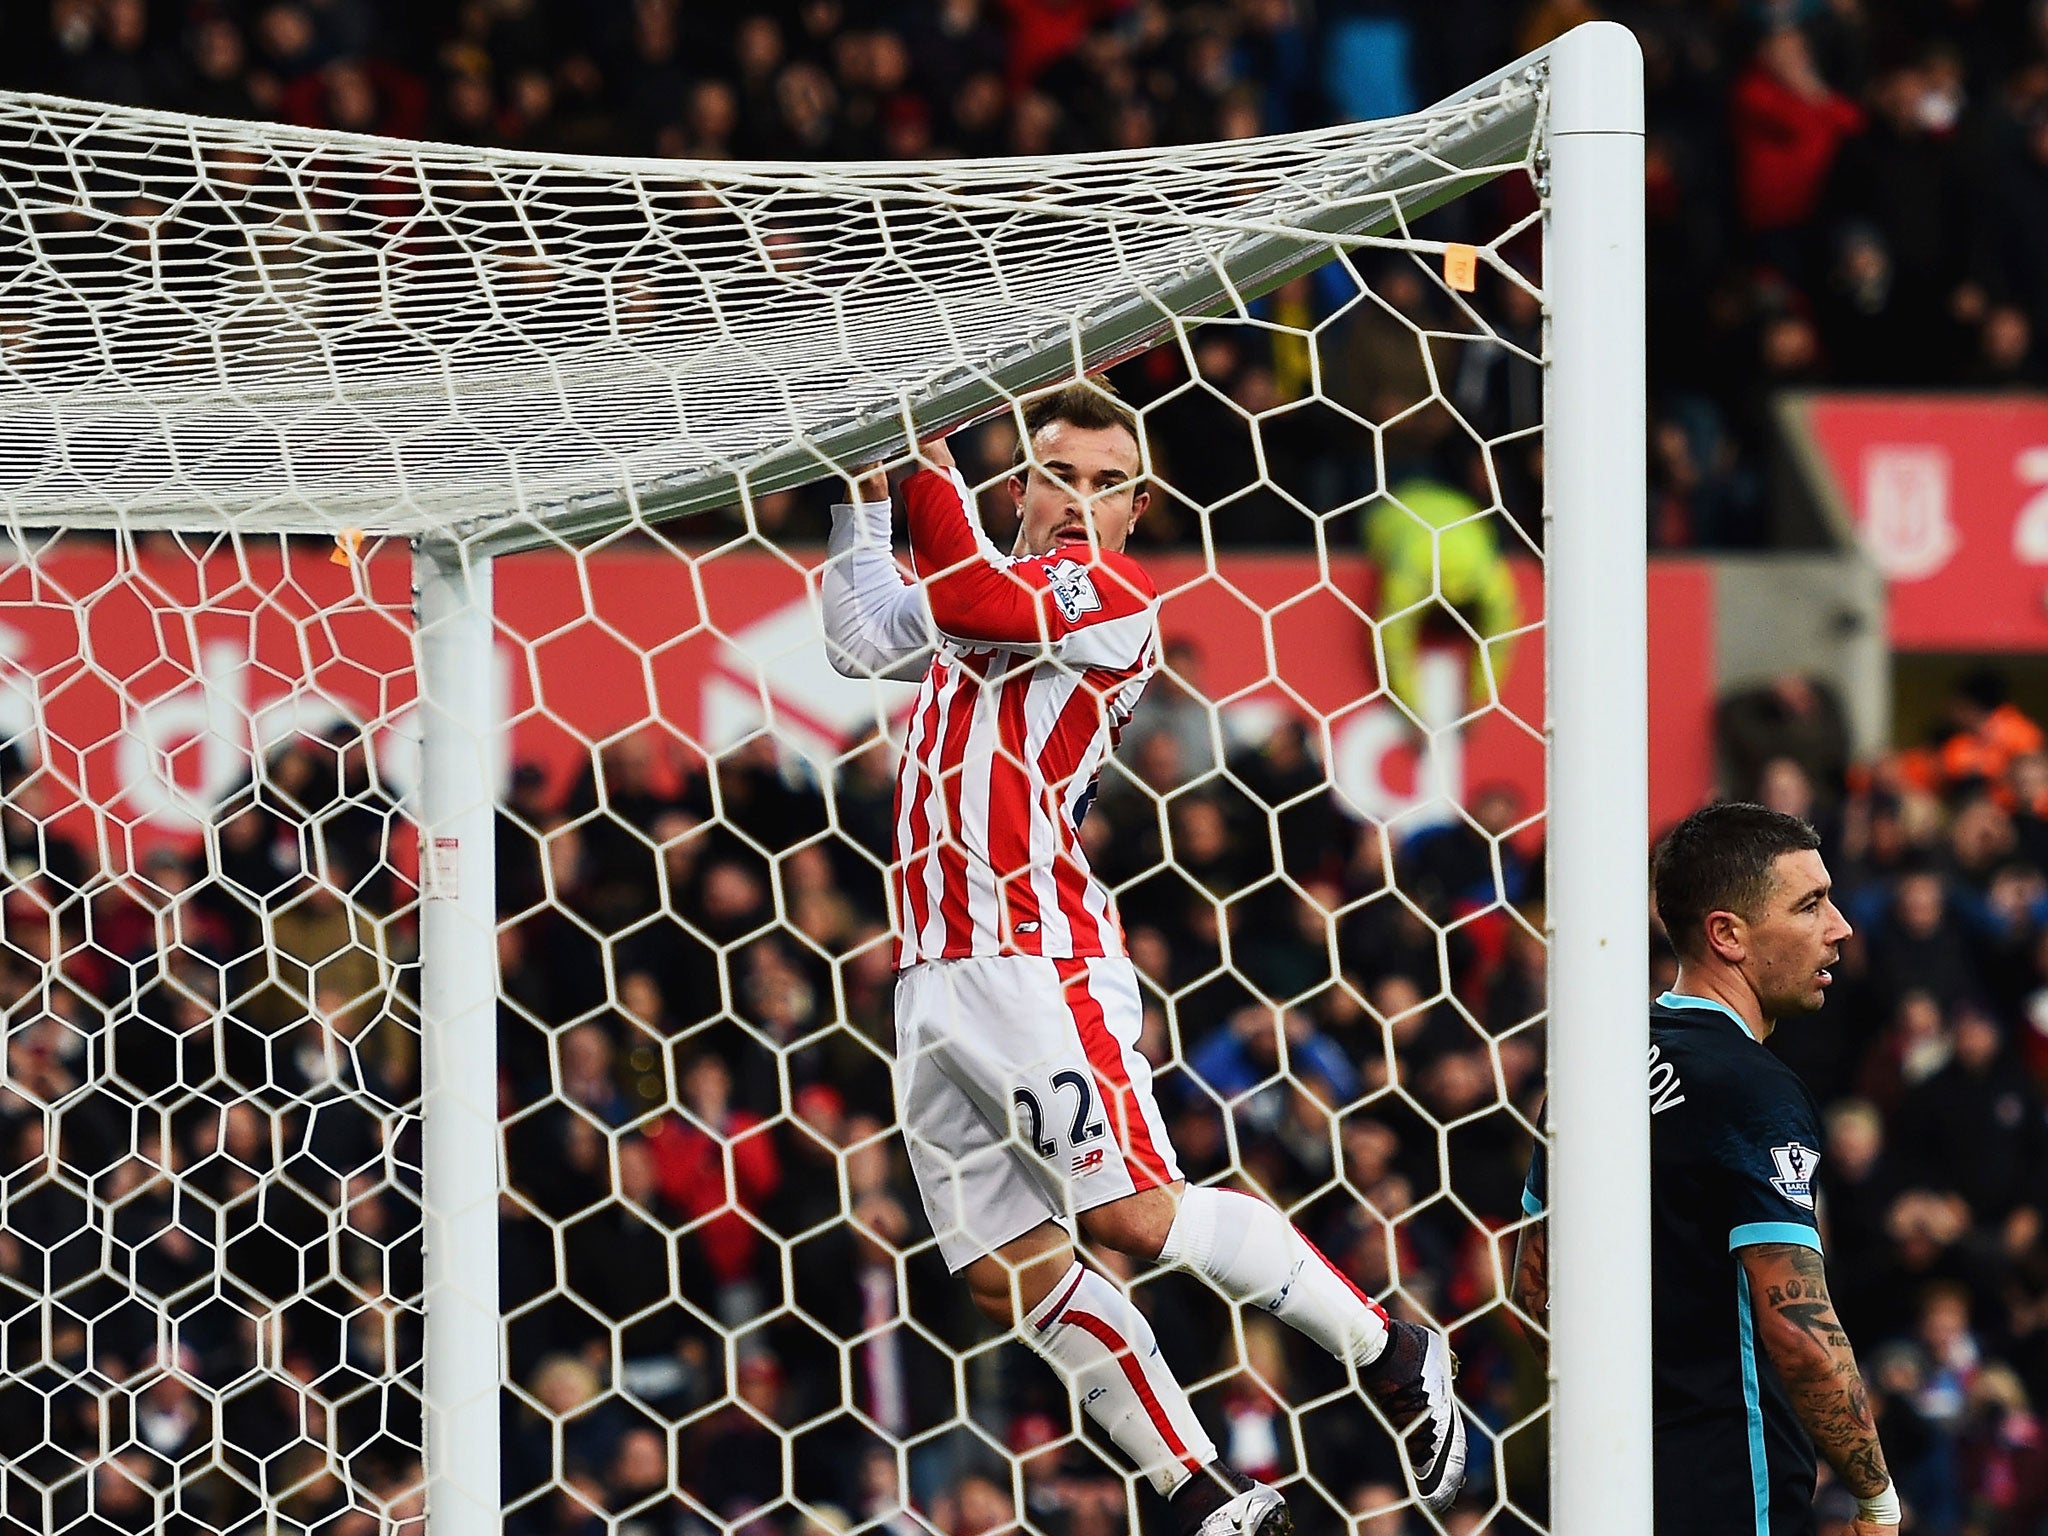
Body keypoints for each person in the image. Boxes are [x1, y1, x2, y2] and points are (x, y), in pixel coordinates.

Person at [820, 381, 1466, 1533]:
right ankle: (1197, 1488)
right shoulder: (989, 594)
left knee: (1128, 1216)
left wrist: (912, 439)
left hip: (1034, 954)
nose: (1078, 499)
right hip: (928, 970)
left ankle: (1387, 1346)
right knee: (1000, 1272)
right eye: (1056, 474)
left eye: (1105, 482)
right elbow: (863, 633)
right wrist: (861, 493)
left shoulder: (1108, 598)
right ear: (1016, 485)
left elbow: (962, 592)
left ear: (1137, 506)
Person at [1513, 803, 1898, 1535]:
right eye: (1811, 904)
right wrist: (1875, 1497)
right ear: (1728, 935)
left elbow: (1535, 1285)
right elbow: (1797, 1330)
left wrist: (1624, 1433)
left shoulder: (1598, 1056)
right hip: (1731, 1487)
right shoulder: (1753, 1089)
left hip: (1609, 1487)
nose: (1840, 926)